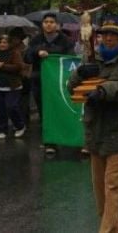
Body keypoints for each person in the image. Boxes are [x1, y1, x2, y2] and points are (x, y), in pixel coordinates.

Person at [68, 17, 118, 233]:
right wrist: (79, 74)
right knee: (100, 191)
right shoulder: (93, 58)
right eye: (105, 34)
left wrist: (103, 90)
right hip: (96, 132)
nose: (108, 38)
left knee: (113, 186)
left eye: (114, 34)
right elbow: (71, 88)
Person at [24, 12, 75, 154]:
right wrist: (37, 53)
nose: (49, 24)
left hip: (58, 81)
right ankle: (49, 141)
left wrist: (49, 53)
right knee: (44, 112)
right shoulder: (36, 40)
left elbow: (70, 58)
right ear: (42, 24)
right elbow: (27, 57)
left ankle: (64, 137)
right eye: (46, 22)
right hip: (39, 81)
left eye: (52, 22)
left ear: (57, 25)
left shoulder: (65, 40)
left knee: (60, 109)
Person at [0, 35, 26, 139]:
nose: (2, 45)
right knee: (0, 110)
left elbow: (18, 66)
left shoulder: (15, 53)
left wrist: (3, 66)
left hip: (12, 86)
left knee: (11, 107)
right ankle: (2, 129)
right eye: (0, 42)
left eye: (4, 42)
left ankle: (20, 126)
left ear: (9, 44)